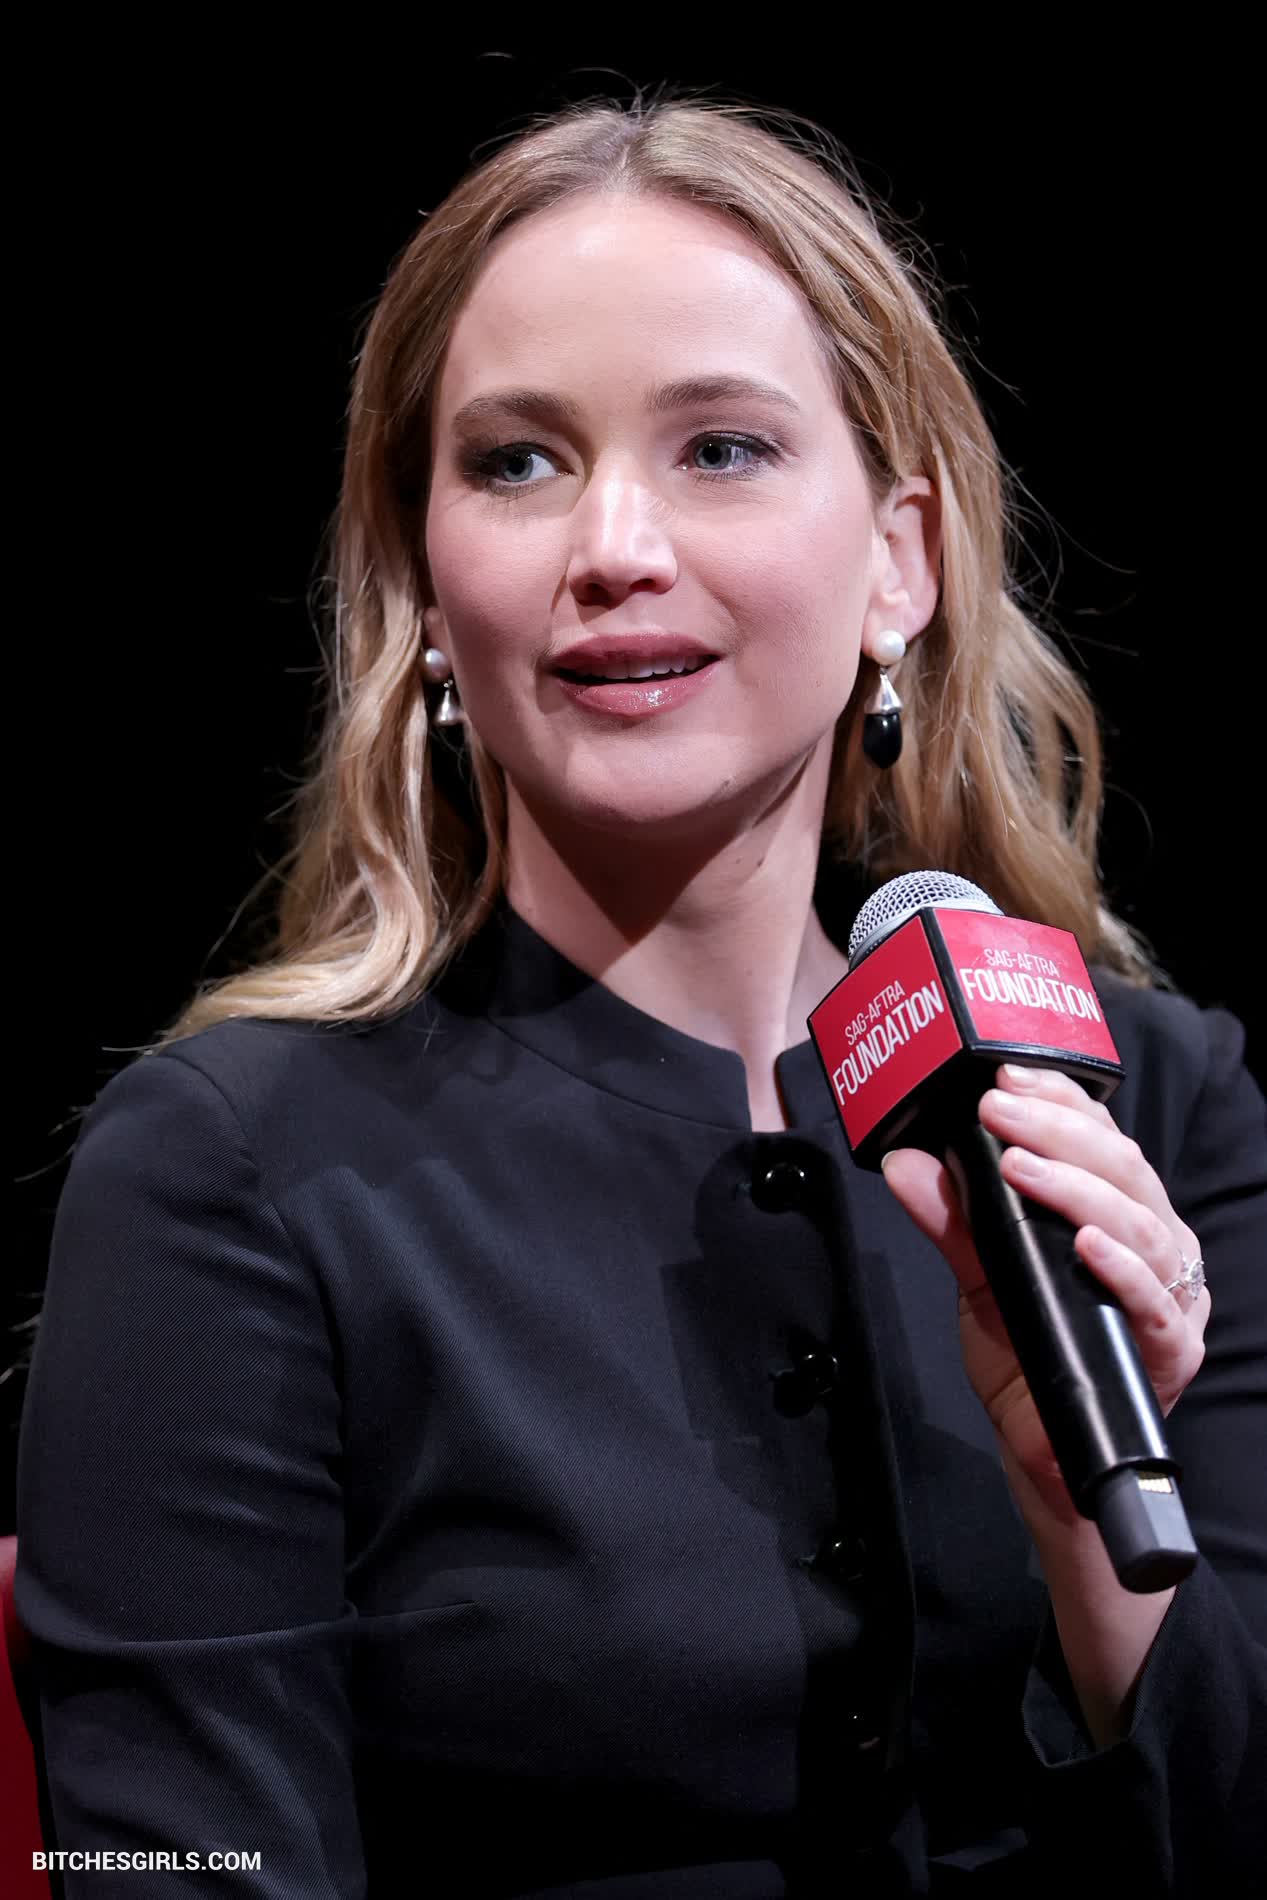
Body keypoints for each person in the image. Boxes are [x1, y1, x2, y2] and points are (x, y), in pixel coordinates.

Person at [14, 87, 1266, 1898]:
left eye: (722, 448)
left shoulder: (1152, 1102)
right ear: (427, 591)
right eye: (517, 463)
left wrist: (1086, 1525)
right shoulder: (235, 1169)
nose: (612, 545)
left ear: (899, 561)